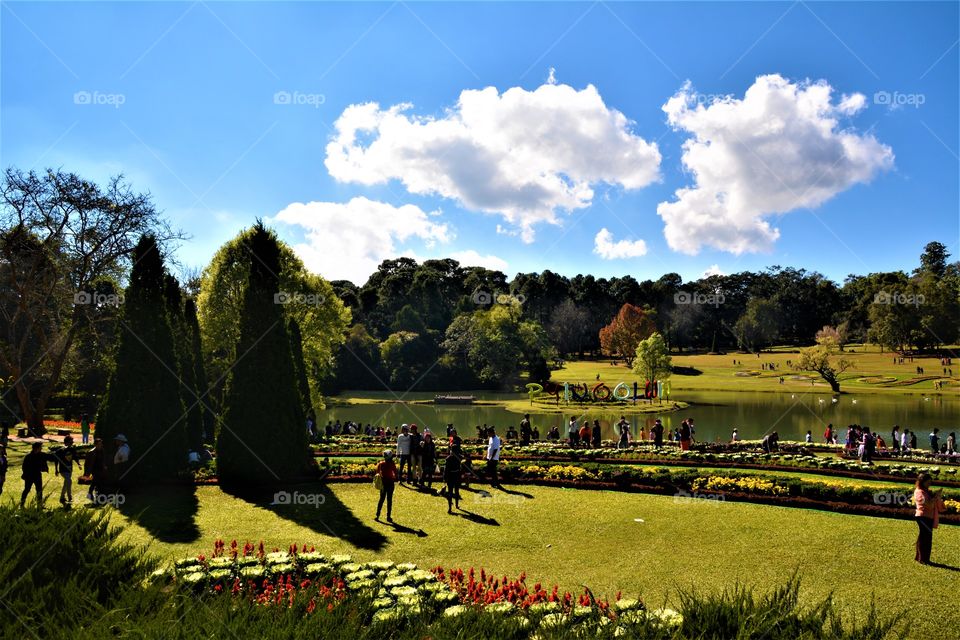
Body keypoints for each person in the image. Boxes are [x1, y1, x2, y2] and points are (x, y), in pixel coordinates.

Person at [913, 473, 945, 564]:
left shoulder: (925, 491)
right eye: (928, 482)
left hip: (928, 517)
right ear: (922, 482)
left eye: (930, 482)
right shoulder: (920, 492)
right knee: (925, 538)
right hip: (923, 517)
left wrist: (936, 496)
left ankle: (920, 557)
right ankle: (923, 559)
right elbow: (929, 504)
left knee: (924, 537)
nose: (929, 484)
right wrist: (936, 496)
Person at [20, 442, 50, 508]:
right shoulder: (28, 456)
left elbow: (49, 457)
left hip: (37, 475)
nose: (41, 448)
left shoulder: (41, 455)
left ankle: (40, 505)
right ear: (36, 448)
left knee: (39, 490)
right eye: (40, 447)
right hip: (29, 476)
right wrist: (26, 474)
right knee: (27, 489)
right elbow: (24, 467)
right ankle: (22, 504)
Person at [54, 435, 82, 506]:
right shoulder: (61, 450)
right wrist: (56, 469)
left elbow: (75, 457)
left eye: (72, 442)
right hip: (63, 470)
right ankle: (69, 497)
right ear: (66, 443)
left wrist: (78, 464)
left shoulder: (72, 449)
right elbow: (56, 459)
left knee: (66, 483)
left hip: (69, 469)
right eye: (70, 442)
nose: (72, 443)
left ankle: (62, 498)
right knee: (69, 481)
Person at [374, 450, 398, 522]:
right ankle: (388, 516)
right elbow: (395, 474)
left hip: (383, 482)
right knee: (389, 500)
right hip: (390, 483)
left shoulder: (381, 464)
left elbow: (377, 472)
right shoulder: (392, 464)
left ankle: (377, 515)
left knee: (381, 499)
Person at [85, 438, 108, 502]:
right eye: (99, 444)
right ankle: (94, 495)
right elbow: (87, 463)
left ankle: (93, 494)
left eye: (101, 444)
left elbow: (103, 460)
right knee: (96, 481)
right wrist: (87, 472)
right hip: (94, 469)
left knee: (97, 482)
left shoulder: (102, 451)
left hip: (101, 469)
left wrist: (104, 466)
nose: (100, 445)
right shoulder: (91, 452)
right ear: (95, 445)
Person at [443, 445, 463, 513]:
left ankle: (450, 508)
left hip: (451, 476)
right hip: (456, 475)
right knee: (456, 491)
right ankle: (455, 506)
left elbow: (446, 470)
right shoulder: (459, 457)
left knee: (450, 492)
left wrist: (445, 478)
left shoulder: (449, 458)